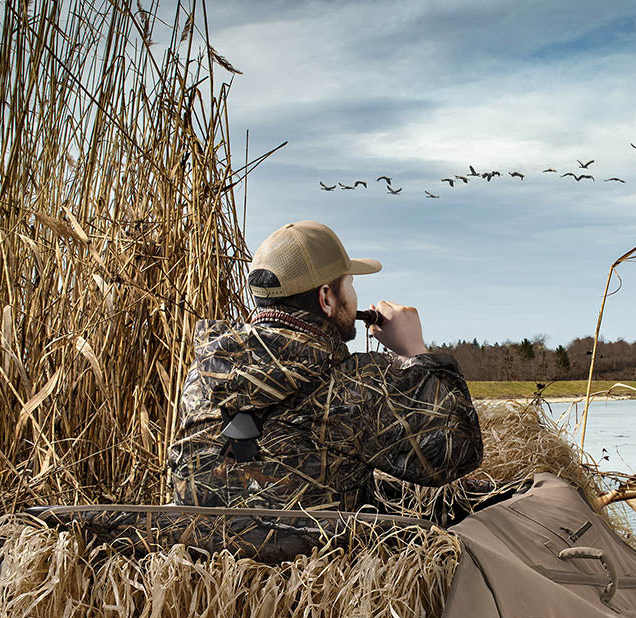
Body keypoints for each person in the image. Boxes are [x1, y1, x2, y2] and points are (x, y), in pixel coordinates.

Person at [167, 220, 483, 535]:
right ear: (326, 298)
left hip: (217, 571)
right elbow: (457, 454)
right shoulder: (357, 383)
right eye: (350, 285)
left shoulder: (203, 376)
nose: (356, 298)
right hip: (328, 575)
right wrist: (416, 353)